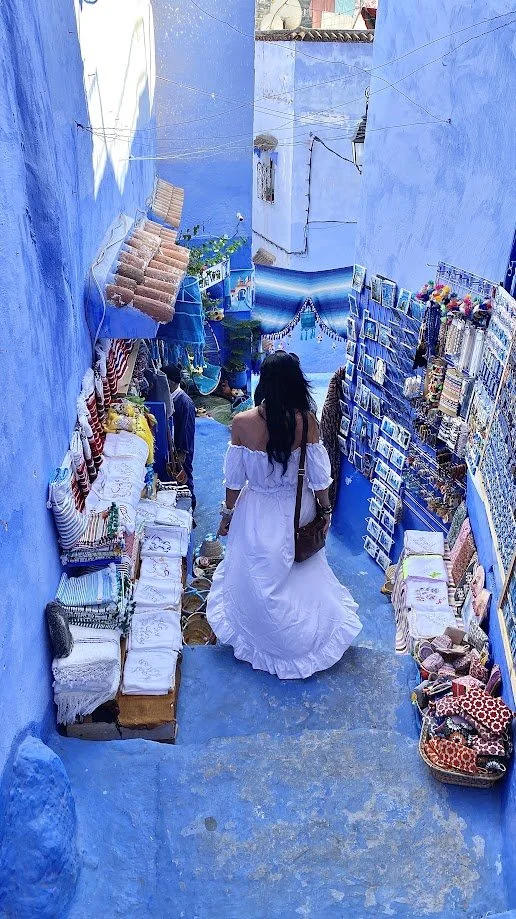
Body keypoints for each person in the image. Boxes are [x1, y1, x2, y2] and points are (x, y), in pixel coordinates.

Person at [207, 352, 362, 679]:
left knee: (255, 573)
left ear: (264, 382)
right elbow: (319, 479)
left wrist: (227, 515)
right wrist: (325, 510)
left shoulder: (241, 423)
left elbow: (234, 481)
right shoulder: (307, 422)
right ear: (296, 383)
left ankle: (260, 634)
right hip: (297, 511)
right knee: (303, 574)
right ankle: (303, 637)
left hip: (256, 511)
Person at [163, 365, 196, 511]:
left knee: (184, 476)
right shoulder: (172, 398)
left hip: (182, 449)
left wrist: (182, 452)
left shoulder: (185, 403)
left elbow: (187, 430)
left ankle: (191, 505)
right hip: (175, 447)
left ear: (170, 382)